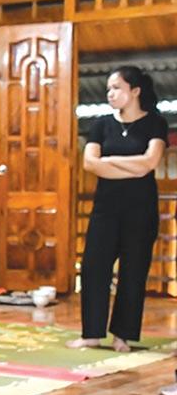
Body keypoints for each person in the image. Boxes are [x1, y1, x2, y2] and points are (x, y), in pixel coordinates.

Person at [67, 66, 167, 354]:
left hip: (141, 209)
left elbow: (150, 163)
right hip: (105, 209)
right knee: (93, 268)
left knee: (133, 271)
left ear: (135, 91)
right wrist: (131, 165)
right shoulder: (101, 124)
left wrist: (109, 163)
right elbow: (90, 164)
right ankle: (92, 334)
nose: (110, 93)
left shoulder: (155, 123)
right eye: (109, 89)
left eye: (117, 88)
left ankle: (122, 336)